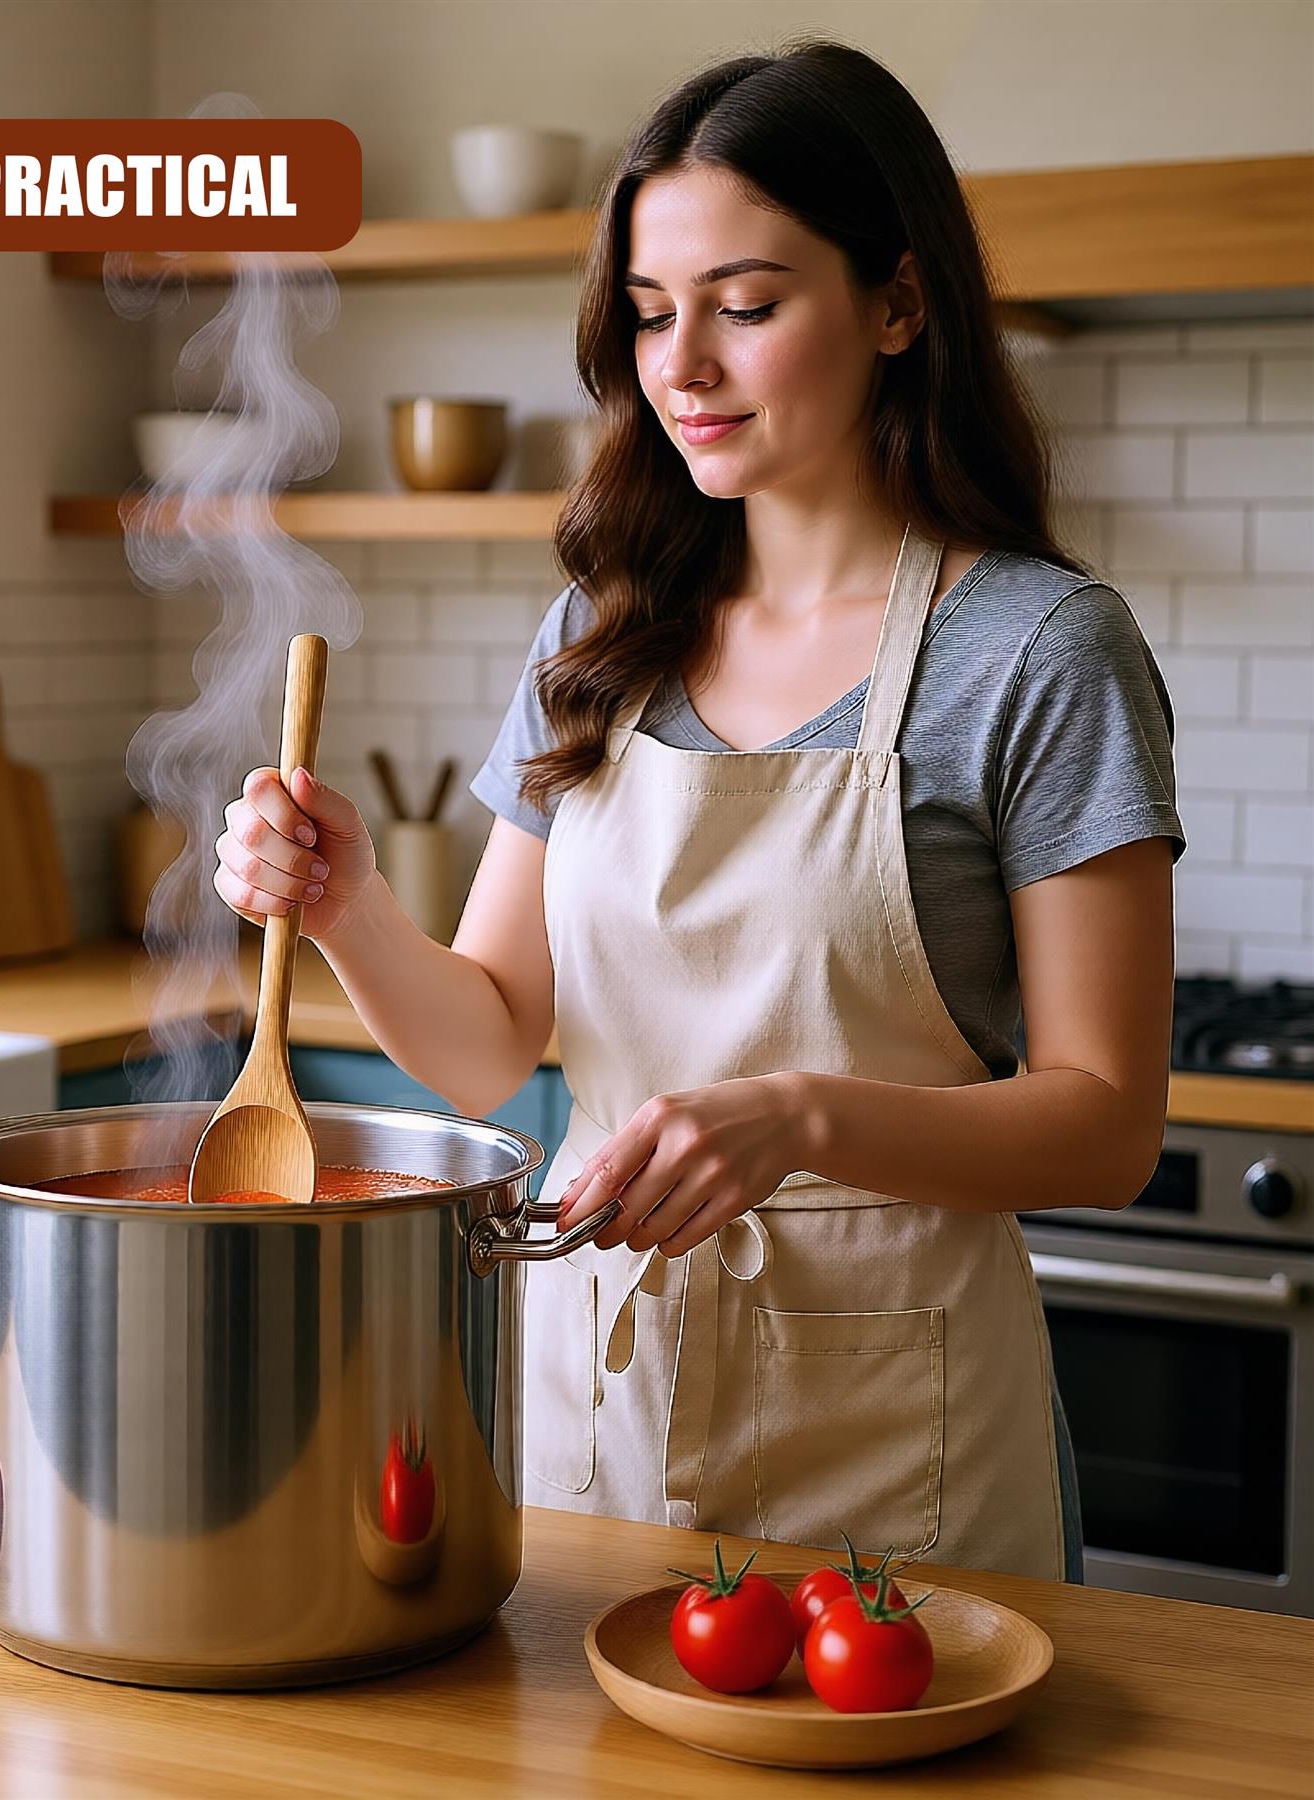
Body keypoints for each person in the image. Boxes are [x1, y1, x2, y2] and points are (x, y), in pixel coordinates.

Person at [211, 39, 1183, 1583]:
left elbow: (1110, 1123)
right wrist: (346, 907)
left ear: (898, 303)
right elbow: (484, 1041)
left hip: (896, 1436)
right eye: (653, 316)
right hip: (594, 1386)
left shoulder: (1040, 649)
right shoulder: (600, 629)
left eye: (746, 305)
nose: (684, 366)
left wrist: (798, 1120)